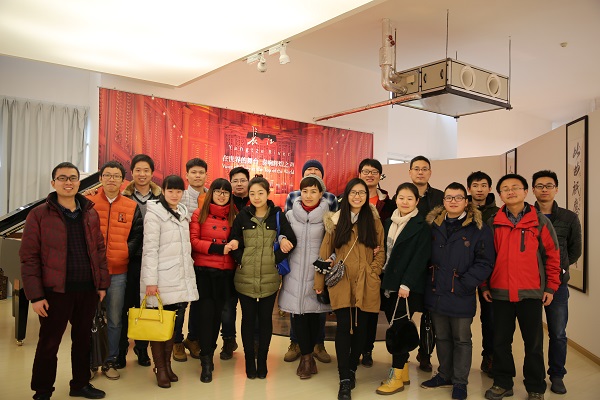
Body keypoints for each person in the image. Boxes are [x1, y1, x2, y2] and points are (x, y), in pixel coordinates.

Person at [20, 161, 109, 400]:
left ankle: (80, 384)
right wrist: (35, 296)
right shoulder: (38, 214)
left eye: (72, 178)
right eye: (62, 178)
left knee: (83, 341)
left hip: (87, 289)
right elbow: (29, 258)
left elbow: (99, 250)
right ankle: (42, 391)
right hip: (55, 291)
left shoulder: (90, 212)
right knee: (49, 344)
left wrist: (102, 284)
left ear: (79, 182)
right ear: (53, 183)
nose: (68, 182)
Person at [482, 174, 561, 400]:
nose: (511, 191)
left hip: (531, 293)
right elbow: (485, 257)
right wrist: (485, 284)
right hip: (500, 292)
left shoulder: (539, 221)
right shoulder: (493, 222)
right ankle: (502, 383)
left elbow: (553, 256)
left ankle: (535, 387)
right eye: (505, 188)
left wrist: (551, 287)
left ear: (526, 191)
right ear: (500, 194)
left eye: (515, 187)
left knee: (533, 344)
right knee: (500, 342)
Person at [420, 182, 495, 400]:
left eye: (458, 197)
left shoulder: (479, 229)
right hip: (436, 290)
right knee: (442, 337)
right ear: (443, 201)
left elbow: (485, 262)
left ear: (466, 201)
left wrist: (465, 283)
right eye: (449, 197)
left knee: (461, 338)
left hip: (461, 291)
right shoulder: (433, 225)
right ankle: (444, 374)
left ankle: (460, 381)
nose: (453, 201)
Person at [315, 178, 385, 400]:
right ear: (346, 195)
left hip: (366, 282)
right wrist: (319, 283)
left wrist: (373, 271)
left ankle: (352, 368)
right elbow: (324, 252)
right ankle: (344, 377)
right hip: (341, 281)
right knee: (344, 328)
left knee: (361, 329)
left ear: (367, 196)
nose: (357, 196)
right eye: (353, 192)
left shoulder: (374, 221)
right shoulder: (336, 221)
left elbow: (381, 250)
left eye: (362, 192)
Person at [228, 176, 297, 379]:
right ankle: (250, 360)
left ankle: (263, 360)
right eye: (252, 193)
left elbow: (292, 239)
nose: (256, 197)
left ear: (268, 193)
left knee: (266, 320)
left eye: (260, 193)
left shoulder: (277, 215)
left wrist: (275, 258)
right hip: (245, 277)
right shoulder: (243, 216)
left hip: (269, 277)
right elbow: (233, 240)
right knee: (248, 320)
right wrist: (241, 259)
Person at [140, 175, 199, 388]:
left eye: (178, 191)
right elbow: (150, 249)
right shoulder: (155, 213)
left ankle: (167, 365)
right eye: (170, 190)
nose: (174, 195)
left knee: (172, 326)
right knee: (159, 326)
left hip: (178, 278)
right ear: (163, 191)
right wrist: (150, 282)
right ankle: (160, 368)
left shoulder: (182, 213)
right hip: (160, 280)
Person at [86, 161, 143, 380]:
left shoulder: (131, 206)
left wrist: (124, 253)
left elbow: (137, 235)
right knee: (89, 318)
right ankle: (91, 362)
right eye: (107, 175)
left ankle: (110, 360)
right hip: (91, 272)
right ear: (100, 178)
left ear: (123, 180)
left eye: (116, 176)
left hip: (118, 272)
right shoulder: (88, 203)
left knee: (115, 319)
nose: (112, 179)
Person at [375, 182, 431, 395]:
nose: (405, 202)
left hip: (407, 288)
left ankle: (396, 377)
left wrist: (406, 283)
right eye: (401, 197)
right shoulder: (389, 222)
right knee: (397, 327)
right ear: (396, 199)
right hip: (389, 284)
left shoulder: (422, 225)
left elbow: (421, 258)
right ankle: (404, 371)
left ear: (417, 201)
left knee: (398, 331)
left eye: (410, 198)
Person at [532, 170, 582, 395]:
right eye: (540, 186)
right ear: (533, 190)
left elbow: (574, 250)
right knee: (532, 334)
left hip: (558, 285)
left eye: (549, 185)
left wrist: (559, 270)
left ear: (557, 189)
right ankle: (535, 376)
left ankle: (557, 374)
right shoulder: (527, 215)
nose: (544, 189)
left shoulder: (569, 218)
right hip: (531, 284)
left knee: (558, 332)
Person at [279, 175, 332, 379]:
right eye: (305, 191)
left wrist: (330, 260)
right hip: (294, 272)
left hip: (317, 274)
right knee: (298, 316)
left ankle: (309, 355)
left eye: (313, 191)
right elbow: (280, 234)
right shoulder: (290, 215)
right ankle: (307, 358)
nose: (308, 195)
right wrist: (282, 239)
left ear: (321, 194)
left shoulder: (329, 217)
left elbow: (336, 245)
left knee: (314, 316)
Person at [189, 178, 238, 383]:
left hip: (225, 273)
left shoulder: (235, 216)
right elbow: (193, 241)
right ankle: (206, 360)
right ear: (211, 193)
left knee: (218, 316)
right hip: (204, 272)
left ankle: (209, 351)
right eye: (218, 191)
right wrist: (218, 248)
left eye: (225, 192)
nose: (221, 195)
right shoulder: (199, 213)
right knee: (205, 316)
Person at [119, 154, 161, 368]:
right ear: (132, 172)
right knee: (125, 305)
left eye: (146, 170)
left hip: (152, 261)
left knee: (146, 306)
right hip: (129, 258)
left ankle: (142, 348)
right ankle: (121, 349)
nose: (142, 174)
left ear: (152, 173)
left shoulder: (161, 198)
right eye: (138, 170)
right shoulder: (123, 197)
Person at [357, 158, 395, 368]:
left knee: (371, 309)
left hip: (378, 263)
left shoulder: (389, 203)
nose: (369, 175)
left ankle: (367, 349)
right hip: (354, 262)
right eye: (366, 171)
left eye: (374, 172)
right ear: (359, 174)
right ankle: (354, 348)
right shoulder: (349, 198)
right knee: (355, 309)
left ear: (380, 176)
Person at [408, 155, 444, 372]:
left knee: (430, 313)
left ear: (430, 172)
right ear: (410, 172)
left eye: (424, 169)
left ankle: (425, 354)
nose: (420, 172)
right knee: (406, 311)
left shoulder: (440, 197)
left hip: (433, 263)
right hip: (409, 262)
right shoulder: (403, 194)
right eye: (416, 168)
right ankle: (401, 354)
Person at [467, 170, 499, 376]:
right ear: (469, 189)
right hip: (464, 271)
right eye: (475, 185)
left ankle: (489, 357)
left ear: (490, 188)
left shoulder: (498, 213)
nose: (479, 189)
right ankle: (459, 361)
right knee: (463, 318)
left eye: (484, 185)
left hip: (490, 272)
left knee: (490, 319)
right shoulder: (461, 209)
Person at [217, 166, 251, 361]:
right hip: (228, 261)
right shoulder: (225, 202)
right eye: (235, 181)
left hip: (250, 262)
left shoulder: (256, 201)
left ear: (248, 181)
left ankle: (253, 343)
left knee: (249, 308)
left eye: (242, 180)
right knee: (228, 306)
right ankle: (228, 340)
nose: (239, 184)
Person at [180, 157, 209, 361]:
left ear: (206, 175)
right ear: (187, 175)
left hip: (203, 257)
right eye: (194, 172)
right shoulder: (180, 196)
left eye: (201, 172)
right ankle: (175, 342)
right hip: (182, 257)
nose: (197, 176)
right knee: (181, 303)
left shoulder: (211, 197)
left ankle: (192, 338)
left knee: (199, 302)